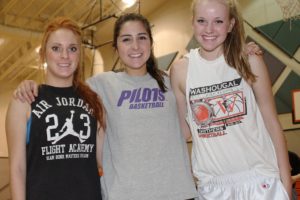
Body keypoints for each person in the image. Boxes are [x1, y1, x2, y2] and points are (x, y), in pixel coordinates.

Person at [13, 13, 199, 200]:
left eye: (142, 38)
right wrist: (29, 85)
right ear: (116, 48)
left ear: (151, 43)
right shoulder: (100, 85)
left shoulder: (171, 80)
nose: (135, 46)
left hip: (177, 192)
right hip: (124, 194)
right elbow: (60, 86)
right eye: (126, 39)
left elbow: (186, 130)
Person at [170, 0, 292, 199]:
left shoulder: (249, 60)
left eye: (218, 21)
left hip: (260, 181)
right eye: (202, 20)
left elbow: (272, 123)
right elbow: (183, 131)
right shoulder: (180, 71)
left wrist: (285, 182)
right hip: (212, 187)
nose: (209, 29)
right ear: (192, 22)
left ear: (231, 24)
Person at [5, 17, 106, 200]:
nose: (65, 56)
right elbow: (17, 168)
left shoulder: (93, 101)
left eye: (72, 49)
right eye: (56, 48)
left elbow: (104, 159)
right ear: (43, 54)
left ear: (79, 55)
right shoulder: (24, 100)